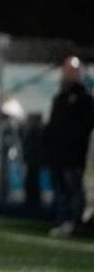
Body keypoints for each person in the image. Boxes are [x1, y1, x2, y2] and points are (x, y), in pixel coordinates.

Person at [43, 56, 94, 237]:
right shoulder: (60, 97)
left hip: (74, 154)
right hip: (58, 153)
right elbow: (53, 125)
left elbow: (85, 126)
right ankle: (61, 220)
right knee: (60, 189)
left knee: (73, 188)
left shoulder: (85, 98)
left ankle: (74, 221)